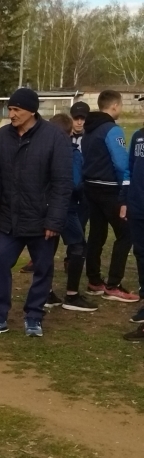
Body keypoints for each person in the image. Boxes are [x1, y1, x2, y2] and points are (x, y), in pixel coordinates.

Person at [0, 88, 72, 338]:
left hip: (42, 220)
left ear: (31, 111)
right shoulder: (2, 136)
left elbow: (62, 183)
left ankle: (34, 316)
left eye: (16, 109)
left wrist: (54, 221)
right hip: (8, 218)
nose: (11, 114)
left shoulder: (54, 138)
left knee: (43, 269)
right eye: (10, 109)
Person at [82, 90, 137, 302]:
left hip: (91, 187)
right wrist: (126, 190)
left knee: (97, 233)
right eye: (120, 105)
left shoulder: (88, 128)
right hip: (109, 189)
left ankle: (94, 280)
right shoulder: (112, 130)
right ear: (114, 106)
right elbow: (121, 163)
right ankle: (113, 284)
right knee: (126, 233)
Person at [44, 113, 96, 312]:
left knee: (47, 248)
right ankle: (72, 295)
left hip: (45, 206)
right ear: (69, 133)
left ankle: (46, 291)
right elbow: (74, 183)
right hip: (66, 207)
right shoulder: (71, 153)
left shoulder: (41, 150)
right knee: (78, 246)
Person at [123, 121, 144, 339]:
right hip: (137, 207)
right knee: (140, 254)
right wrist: (125, 200)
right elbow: (129, 169)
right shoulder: (138, 136)